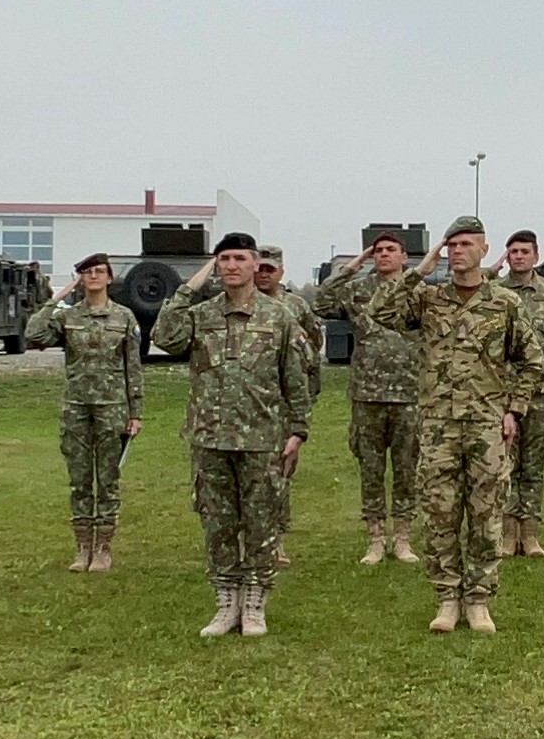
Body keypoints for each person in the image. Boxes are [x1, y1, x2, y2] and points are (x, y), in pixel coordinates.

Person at [366, 216, 544, 634]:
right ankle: (447, 597)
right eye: (451, 245)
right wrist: (419, 271)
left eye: (466, 244)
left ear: (484, 250)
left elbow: (532, 362)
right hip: (438, 427)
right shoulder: (429, 299)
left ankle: (479, 599)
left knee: (486, 515)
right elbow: (380, 311)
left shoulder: (505, 303)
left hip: (486, 425)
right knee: (440, 514)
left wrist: (514, 410)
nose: (457, 251)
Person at [150, 232, 310, 637]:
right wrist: (188, 288)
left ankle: (254, 602)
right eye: (224, 259)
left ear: (255, 264)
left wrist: (298, 430)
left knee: (261, 523)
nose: (232, 266)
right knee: (218, 524)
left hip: (262, 439)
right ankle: (226, 602)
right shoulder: (201, 315)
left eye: (240, 258)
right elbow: (164, 337)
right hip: (210, 437)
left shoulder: (279, 316)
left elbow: (295, 377)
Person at [24, 252, 143, 571]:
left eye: (99, 271)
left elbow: (133, 367)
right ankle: (82, 548)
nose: (93, 276)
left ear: (109, 278)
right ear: (80, 279)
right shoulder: (69, 317)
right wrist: (56, 298)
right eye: (87, 272)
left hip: (112, 408)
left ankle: (103, 548)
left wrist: (136, 412)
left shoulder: (124, 317)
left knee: (108, 479)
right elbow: (33, 335)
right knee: (80, 480)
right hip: (76, 408)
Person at [313, 230, 422, 566]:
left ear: (404, 257)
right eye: (378, 251)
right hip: (367, 394)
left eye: (390, 250)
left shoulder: (418, 291)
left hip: (409, 394)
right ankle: (375, 538)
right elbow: (321, 303)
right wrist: (351, 267)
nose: (383, 255)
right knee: (371, 470)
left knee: (407, 470)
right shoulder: (358, 289)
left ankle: (402, 537)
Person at [491, 230, 544, 557]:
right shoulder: (495, 292)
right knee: (505, 463)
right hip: (503, 392)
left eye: (524, 251)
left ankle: (530, 533)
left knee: (534, 464)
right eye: (513, 251)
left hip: (541, 392)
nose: (518, 257)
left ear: (536, 256)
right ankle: (507, 532)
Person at [254, 244, 326, 565]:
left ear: (281, 272)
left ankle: (276, 540)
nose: (263, 275)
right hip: (249, 402)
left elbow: (311, 349)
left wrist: (306, 399)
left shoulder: (295, 307)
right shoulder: (240, 303)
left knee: (279, 474)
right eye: (259, 268)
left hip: (283, 405)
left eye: (270, 269)